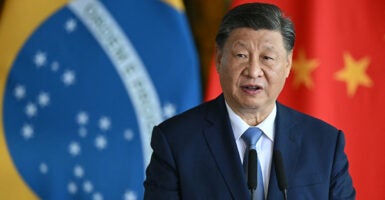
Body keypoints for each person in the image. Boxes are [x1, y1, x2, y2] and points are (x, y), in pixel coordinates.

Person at [143, 2, 356, 200]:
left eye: (267, 58)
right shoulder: (175, 141)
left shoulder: (325, 144)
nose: (253, 71)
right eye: (241, 55)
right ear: (219, 59)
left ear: (288, 64)